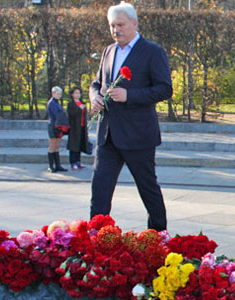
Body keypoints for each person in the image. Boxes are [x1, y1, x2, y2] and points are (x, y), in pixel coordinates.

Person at [89, 2, 173, 231]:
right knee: (99, 191)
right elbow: (97, 83)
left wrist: (130, 95)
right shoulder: (108, 51)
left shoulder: (152, 52)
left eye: (121, 25)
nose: (116, 30)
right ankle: (96, 239)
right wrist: (95, 96)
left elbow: (165, 89)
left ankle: (158, 237)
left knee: (148, 190)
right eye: (112, 25)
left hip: (138, 136)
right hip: (107, 136)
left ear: (134, 24)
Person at [47, 86, 68, 173]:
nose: (59, 95)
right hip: (53, 125)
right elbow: (57, 114)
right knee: (52, 146)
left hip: (59, 125)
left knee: (57, 146)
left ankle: (58, 165)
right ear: (53, 94)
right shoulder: (51, 103)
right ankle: (51, 166)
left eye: (60, 94)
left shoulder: (57, 102)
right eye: (58, 94)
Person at [67, 87, 89, 170]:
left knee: (80, 144)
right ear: (72, 94)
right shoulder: (71, 104)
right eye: (76, 93)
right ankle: (73, 162)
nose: (77, 95)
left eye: (79, 93)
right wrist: (79, 109)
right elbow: (71, 114)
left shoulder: (82, 103)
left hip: (82, 127)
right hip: (74, 128)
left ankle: (78, 161)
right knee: (73, 145)